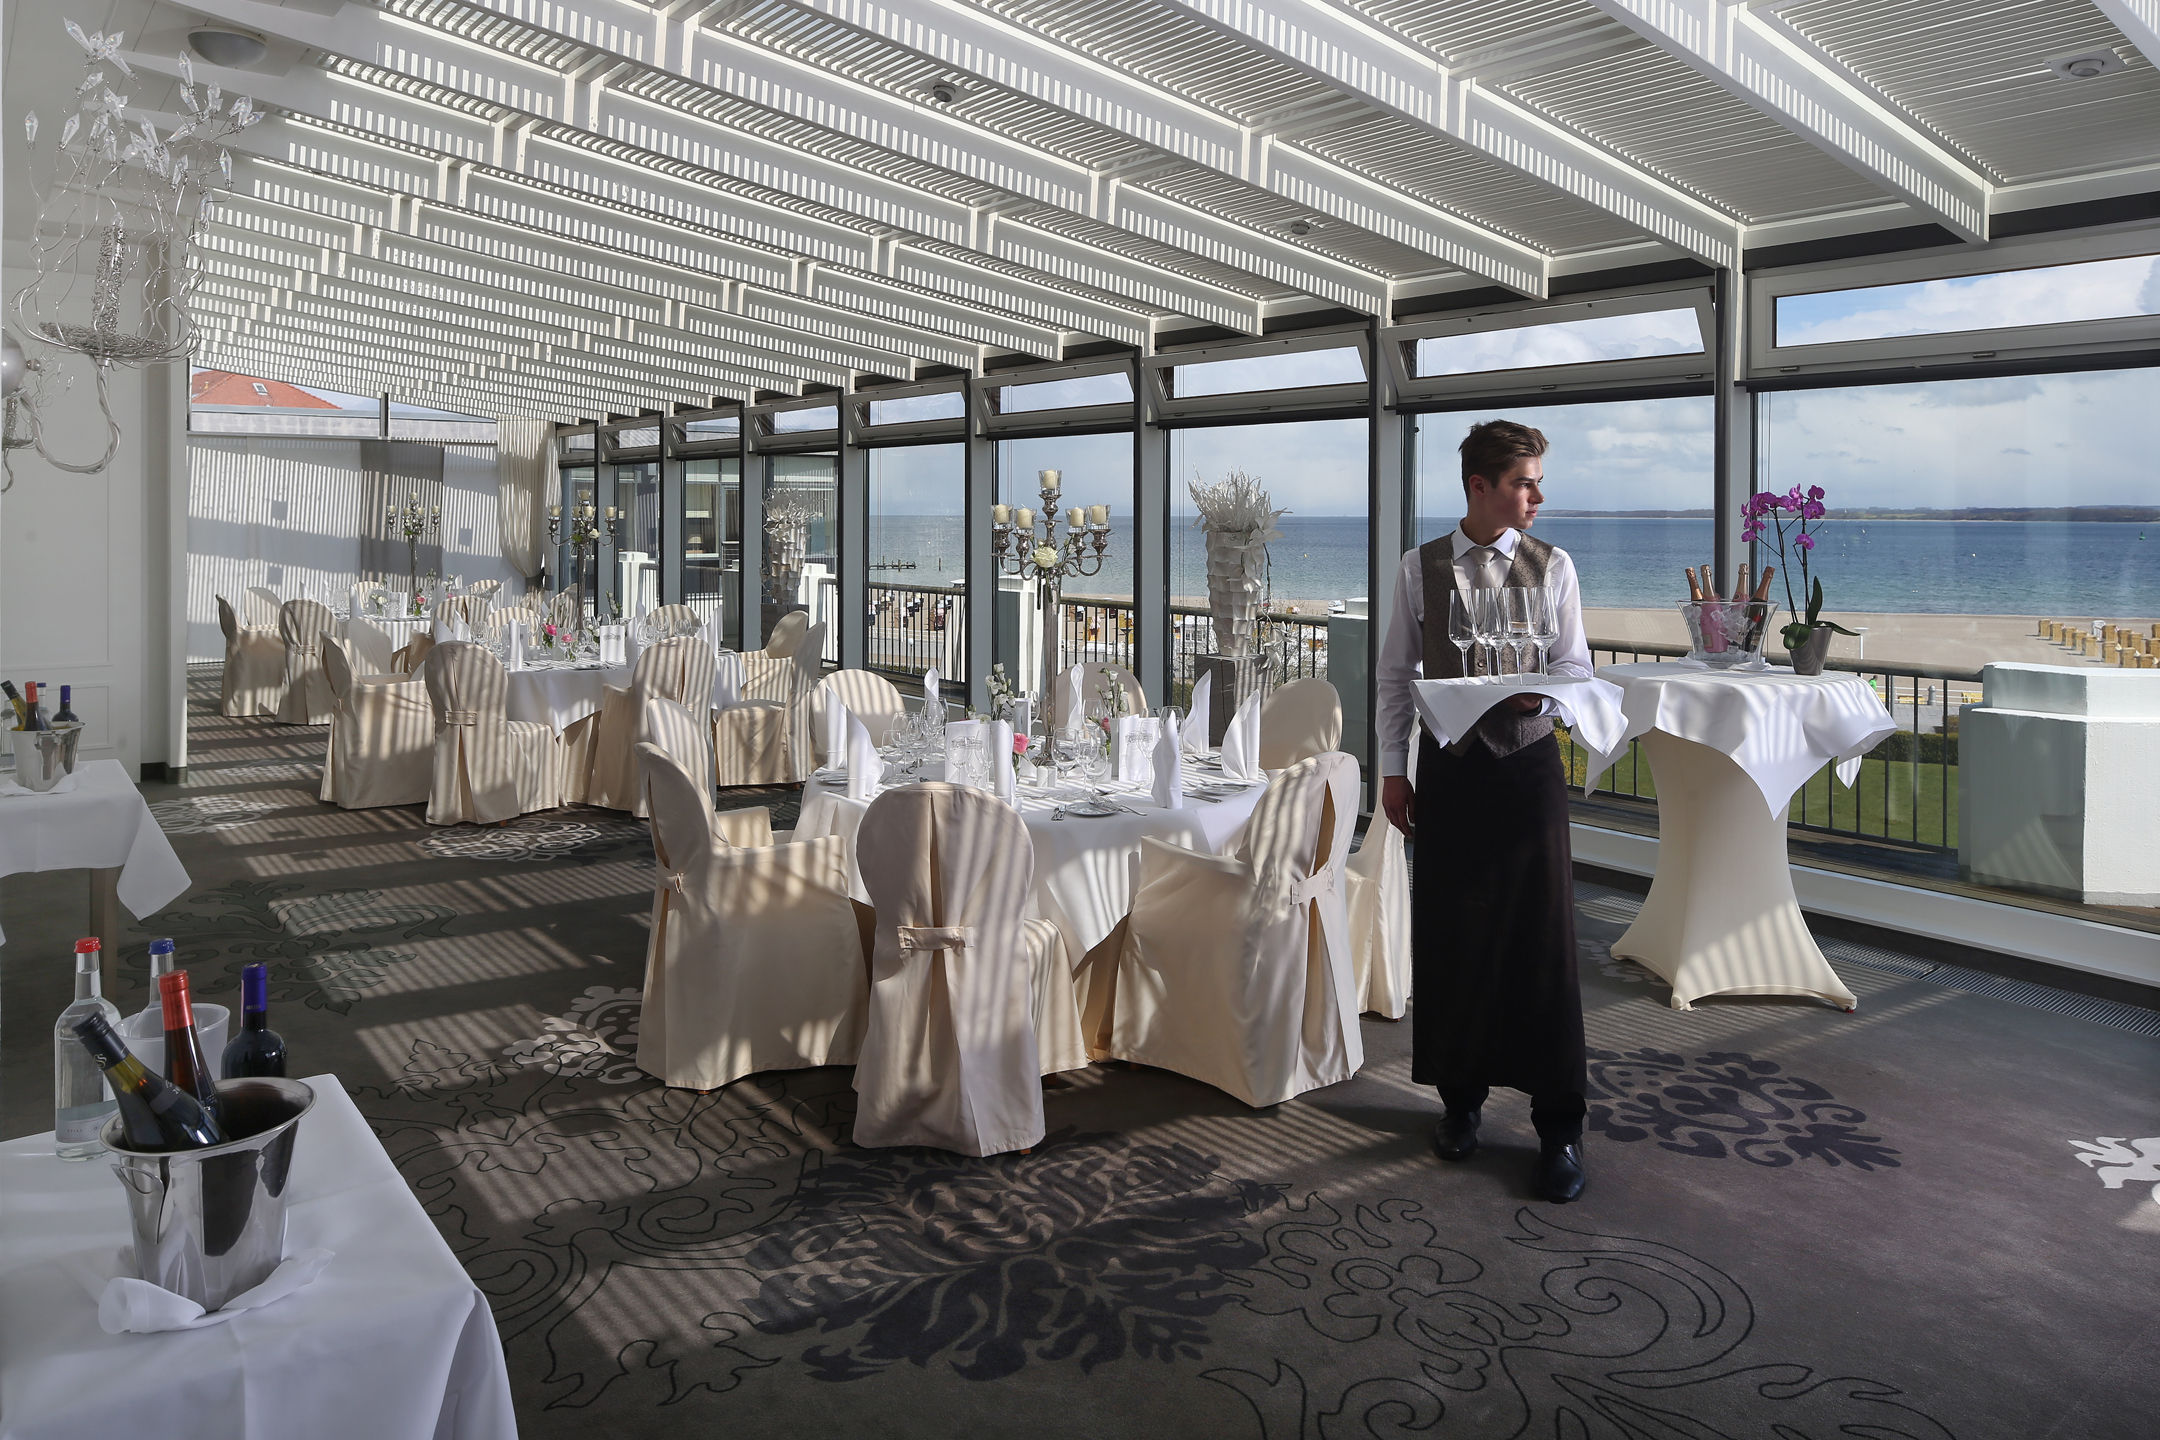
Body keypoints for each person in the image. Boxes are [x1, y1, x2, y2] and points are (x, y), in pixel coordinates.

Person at [1373, 419, 1594, 1203]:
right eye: (1522, 482)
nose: (1536, 495)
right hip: (1452, 774)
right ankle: (1460, 1104)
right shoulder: (1418, 568)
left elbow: (1575, 665)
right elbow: (1396, 677)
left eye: (1536, 480)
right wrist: (1392, 775)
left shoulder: (1555, 565)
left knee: (1543, 945)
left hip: (1530, 768)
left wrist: (1549, 696)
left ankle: (1559, 1129)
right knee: (1455, 937)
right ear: (1479, 487)